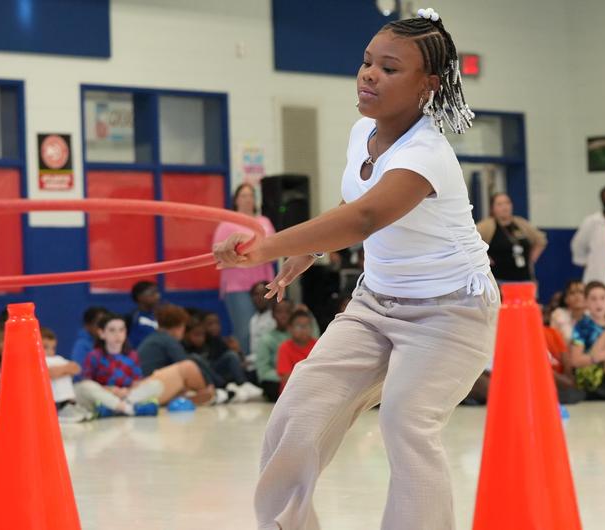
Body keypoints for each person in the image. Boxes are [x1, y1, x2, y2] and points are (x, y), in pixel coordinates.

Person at [213, 10, 500, 528]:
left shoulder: (428, 154)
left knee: (406, 421)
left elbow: (366, 216)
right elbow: (352, 202)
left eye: (389, 69)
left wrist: (265, 248)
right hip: (375, 304)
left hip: (452, 311)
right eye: (367, 62)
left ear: (428, 86)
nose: (369, 74)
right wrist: (312, 247)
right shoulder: (361, 131)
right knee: (297, 410)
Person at [213, 183, 277, 354]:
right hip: (237, 286)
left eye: (251, 196)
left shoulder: (264, 222)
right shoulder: (227, 224)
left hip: (265, 284)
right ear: (236, 200)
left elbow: (276, 248)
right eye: (244, 196)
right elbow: (218, 254)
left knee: (268, 328)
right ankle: (247, 371)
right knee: (245, 330)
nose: (248, 200)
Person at [136, 305, 230, 405]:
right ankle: (213, 391)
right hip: (152, 386)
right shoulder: (168, 340)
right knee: (190, 364)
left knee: (191, 365)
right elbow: (186, 365)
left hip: (147, 386)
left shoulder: (156, 338)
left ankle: (213, 390)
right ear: (179, 326)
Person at [475, 192, 546, 282]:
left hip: (524, 278)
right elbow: (471, 241)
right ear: (492, 208)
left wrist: (531, 259)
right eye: (500, 204)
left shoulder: (521, 223)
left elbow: (541, 240)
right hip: (499, 280)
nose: (505, 207)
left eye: (507, 203)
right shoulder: (486, 225)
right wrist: (484, 258)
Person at [252, 300, 295, 402]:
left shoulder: (300, 337)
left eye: (287, 312)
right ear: (273, 315)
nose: (283, 315)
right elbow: (263, 372)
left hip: (300, 378)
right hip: (279, 380)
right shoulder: (266, 339)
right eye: (279, 312)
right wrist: (287, 377)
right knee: (269, 386)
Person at [276, 310, 317, 393]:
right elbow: (285, 377)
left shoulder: (317, 345)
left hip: (314, 391)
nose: (304, 329)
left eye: (307, 325)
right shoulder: (284, 347)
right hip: (290, 392)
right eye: (299, 326)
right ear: (290, 328)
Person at [70, 307, 108, 378]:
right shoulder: (81, 345)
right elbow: (79, 373)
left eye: (105, 323)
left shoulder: (112, 343)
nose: (102, 327)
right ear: (87, 325)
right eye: (99, 323)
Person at [549, 280, 585, 344]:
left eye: (581, 292)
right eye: (572, 293)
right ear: (566, 299)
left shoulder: (592, 315)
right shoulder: (558, 314)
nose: (577, 296)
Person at [128, 281, 160, 349]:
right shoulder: (134, 319)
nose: (157, 296)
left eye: (157, 292)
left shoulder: (158, 316)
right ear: (140, 297)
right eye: (152, 293)